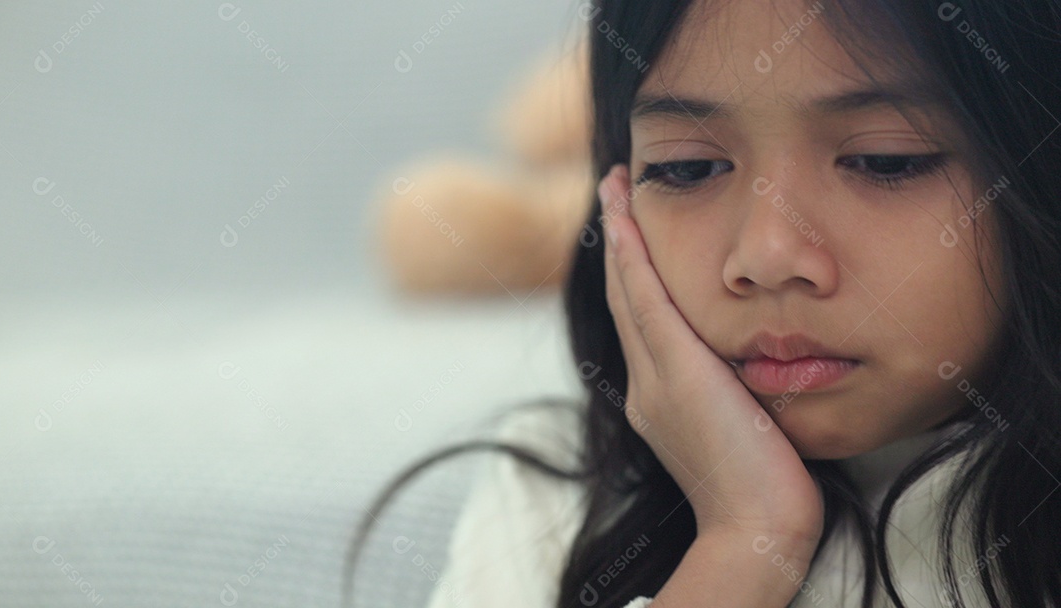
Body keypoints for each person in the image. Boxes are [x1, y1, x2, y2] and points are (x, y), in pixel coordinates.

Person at [346, 0, 1061, 606]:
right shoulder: (553, 490)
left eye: (885, 160)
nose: (768, 256)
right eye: (688, 167)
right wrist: (743, 541)